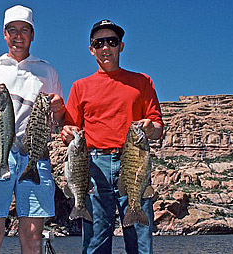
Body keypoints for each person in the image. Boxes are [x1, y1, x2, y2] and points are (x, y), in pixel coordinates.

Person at [0, 5, 66, 254]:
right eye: (13, 30)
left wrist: (60, 107)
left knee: (32, 238)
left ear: (32, 34)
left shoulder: (47, 71)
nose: (18, 36)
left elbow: (60, 121)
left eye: (24, 30)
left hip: (35, 155)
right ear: (5, 34)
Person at [61, 20, 164, 254]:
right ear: (91, 49)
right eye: (99, 43)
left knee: (140, 240)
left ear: (121, 46)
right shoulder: (79, 86)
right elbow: (70, 130)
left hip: (134, 163)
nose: (105, 47)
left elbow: (158, 128)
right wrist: (67, 133)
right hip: (94, 166)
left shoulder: (142, 81)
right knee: (96, 239)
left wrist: (150, 127)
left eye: (111, 42)